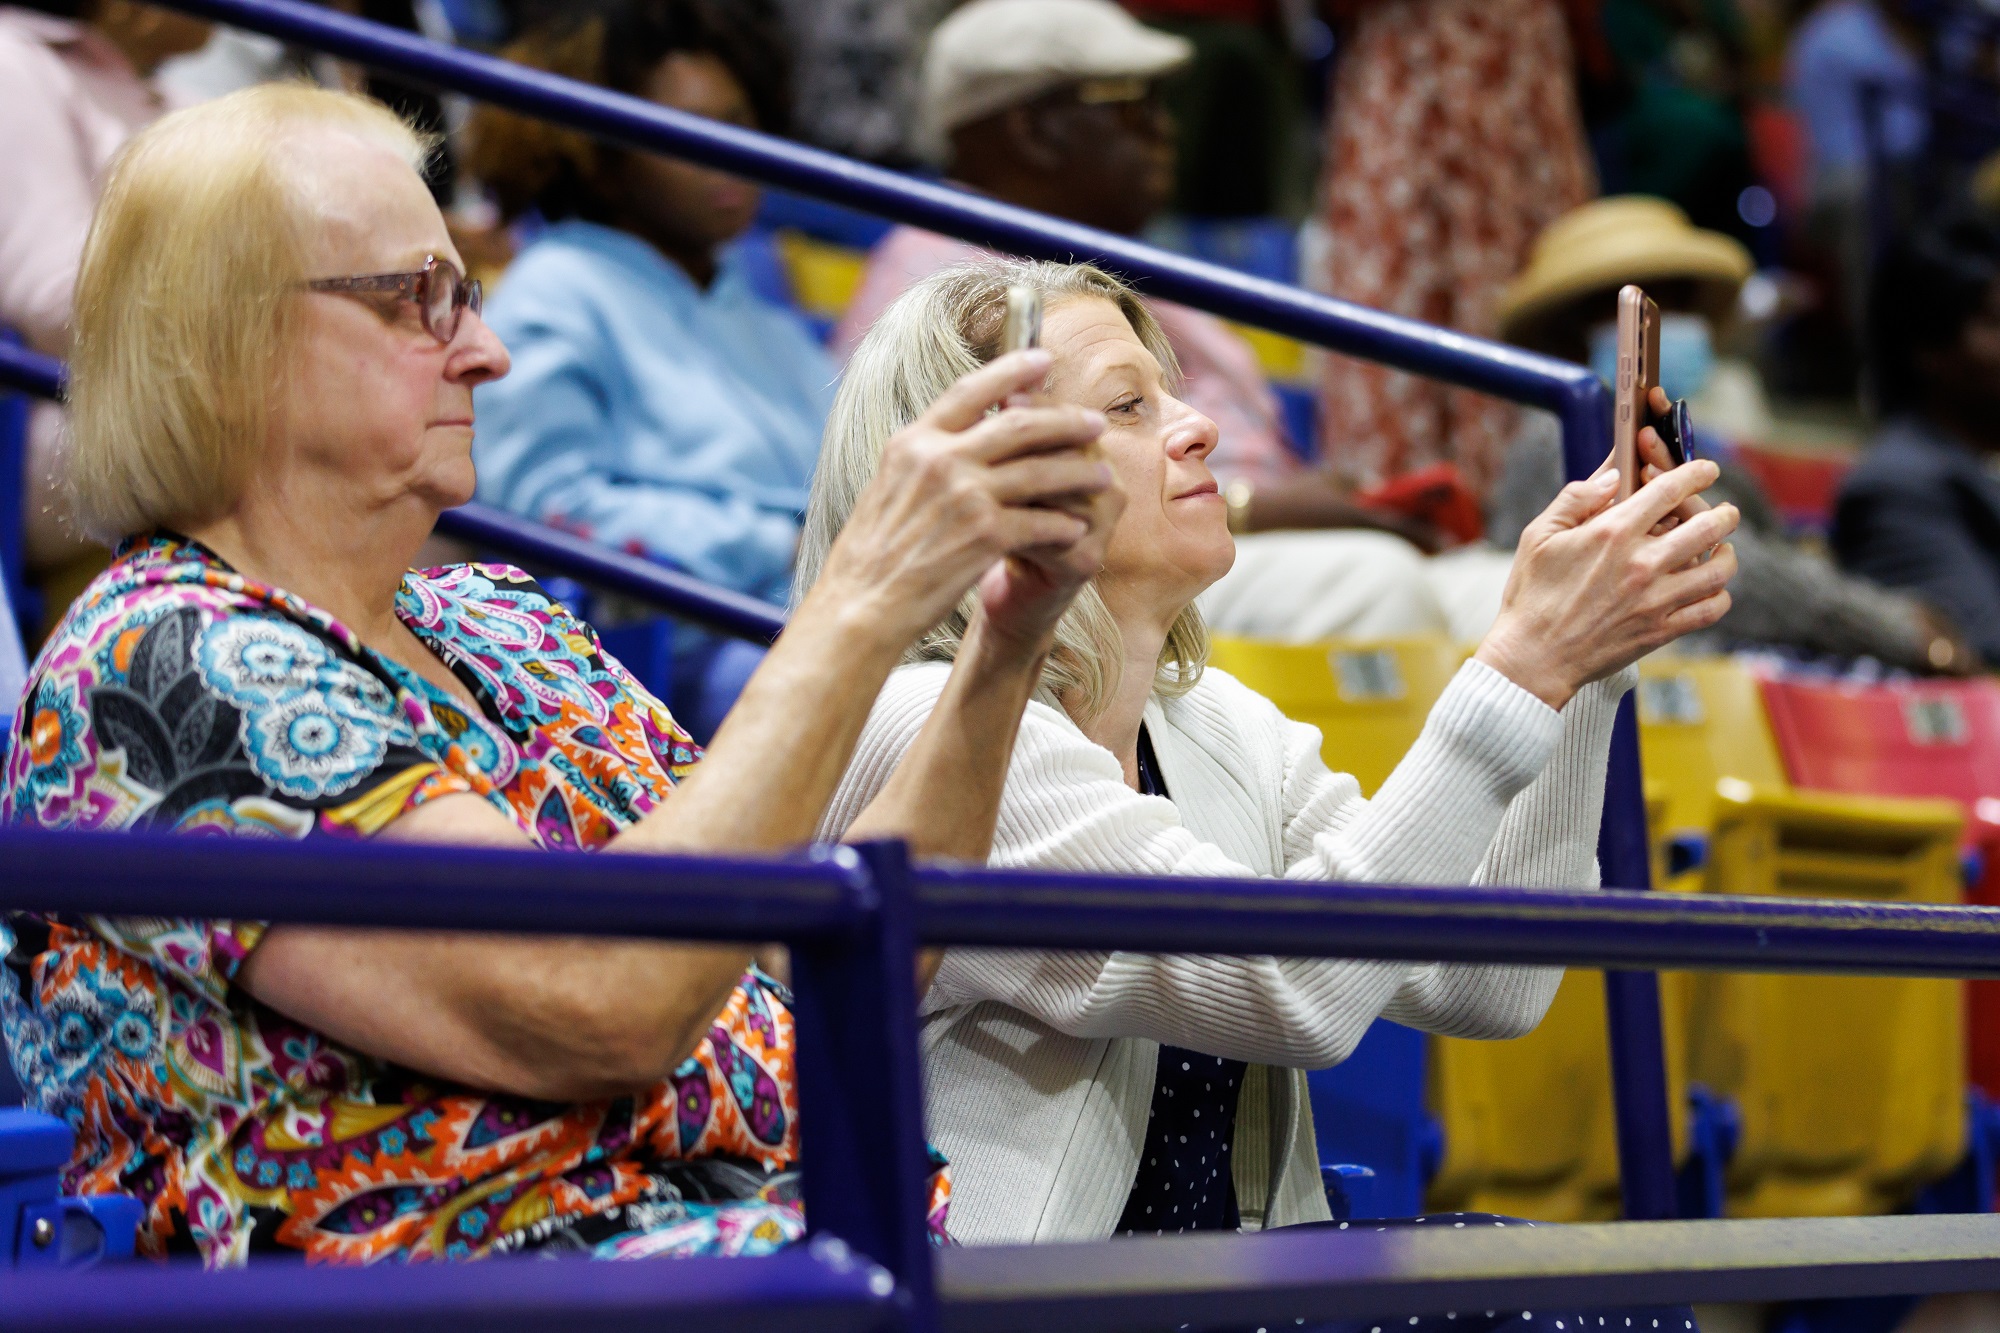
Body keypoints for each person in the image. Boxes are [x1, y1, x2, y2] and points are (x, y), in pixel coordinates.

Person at [1, 84, 1121, 1266]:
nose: (486, 351)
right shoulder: (162, 659)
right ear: (220, 341)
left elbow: (787, 965)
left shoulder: (499, 623)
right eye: (415, 301)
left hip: (776, 1261)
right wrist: (861, 597)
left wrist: (1001, 650)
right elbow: (602, 1001)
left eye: (465, 295)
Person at [802, 257, 1737, 1258]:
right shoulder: (933, 728)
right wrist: (1518, 664)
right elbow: (1293, 990)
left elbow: (1487, 980)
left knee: (1580, 1285)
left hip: (1237, 1291)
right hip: (1021, 1312)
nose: (1193, 424)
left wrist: (1581, 666)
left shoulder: (1217, 725)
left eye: (1170, 389)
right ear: (983, 478)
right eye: (1126, 404)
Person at [837, 0, 1459, 644]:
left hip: (1226, 545)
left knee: (1494, 588)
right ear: (1033, 130)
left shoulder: (1116, 257)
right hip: (1094, 583)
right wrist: (1253, 510)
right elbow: (978, 510)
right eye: (1133, 103)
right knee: (1373, 581)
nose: (1165, 129)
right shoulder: (940, 283)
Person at [464, 0, 822, 739]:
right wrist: (783, 539)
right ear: (601, 155)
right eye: (687, 133)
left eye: (738, 123)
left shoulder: (747, 299)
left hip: (826, 608)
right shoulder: (554, 290)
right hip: (679, 659)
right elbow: (543, 509)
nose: (726, 156)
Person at [1482, 195, 1969, 671]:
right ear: (1572, 331)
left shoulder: (1684, 426)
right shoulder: (1559, 436)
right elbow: (1723, 575)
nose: (1671, 322)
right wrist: (1891, 626)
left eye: (1678, 301)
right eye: (1650, 308)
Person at [1314, 0, 1598, 503]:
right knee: (1399, 290)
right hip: (1414, 68)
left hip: (1511, 75)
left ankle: (1529, 507)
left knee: (1524, 295)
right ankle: (1402, 508)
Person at [0, 0, 210, 628]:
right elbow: (55, 297)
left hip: (158, 401)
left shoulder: (167, 88)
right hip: (60, 424)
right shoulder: (15, 60)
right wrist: (261, 316)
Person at [1832, 216, 2000, 666]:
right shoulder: (1899, 487)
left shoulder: (1974, 462)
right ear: (1927, 347)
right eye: (1996, 321)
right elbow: (1982, 652)